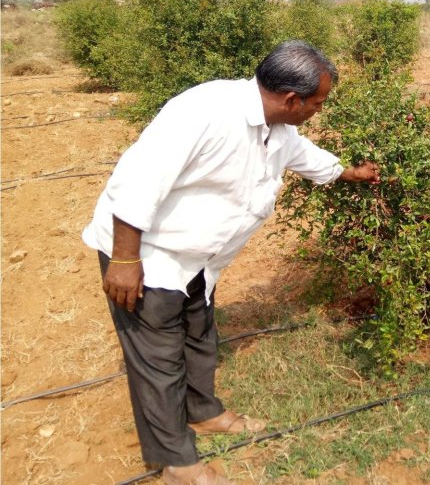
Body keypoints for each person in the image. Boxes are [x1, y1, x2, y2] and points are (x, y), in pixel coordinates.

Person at [82, 40, 380, 485]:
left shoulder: (278, 125)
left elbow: (303, 156)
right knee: (158, 358)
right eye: (317, 103)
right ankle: (177, 464)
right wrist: (124, 259)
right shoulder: (202, 112)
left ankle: (204, 413)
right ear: (291, 99)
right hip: (150, 254)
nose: (319, 110)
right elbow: (136, 184)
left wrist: (349, 172)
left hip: (200, 257)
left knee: (200, 333)